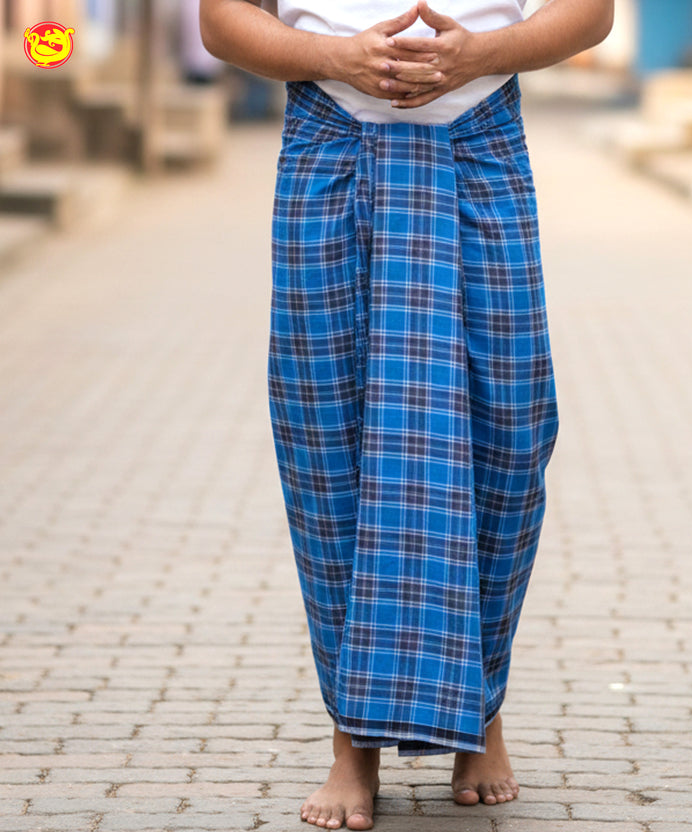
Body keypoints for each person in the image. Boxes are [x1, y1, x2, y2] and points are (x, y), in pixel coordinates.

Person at [199, 1, 613, 828]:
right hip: (330, 143)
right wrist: (336, 57)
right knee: (331, 438)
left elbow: (591, 12)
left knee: (508, 432)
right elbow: (221, 22)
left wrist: (481, 53)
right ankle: (352, 741)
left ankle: (479, 712)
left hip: (482, 144)